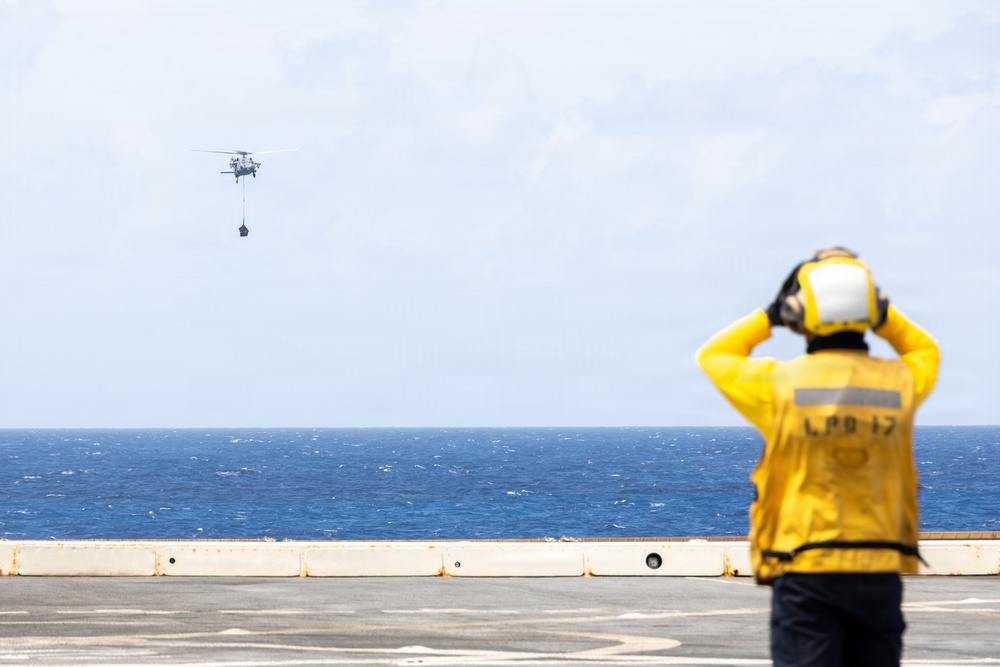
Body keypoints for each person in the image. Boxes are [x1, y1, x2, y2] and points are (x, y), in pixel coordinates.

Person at [695, 247, 940, 667]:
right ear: (872, 310)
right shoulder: (899, 383)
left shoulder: (781, 386)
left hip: (807, 568)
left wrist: (770, 315)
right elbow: (925, 351)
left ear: (799, 314)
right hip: (879, 568)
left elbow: (714, 356)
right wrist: (885, 316)